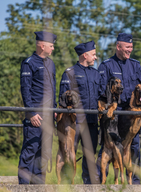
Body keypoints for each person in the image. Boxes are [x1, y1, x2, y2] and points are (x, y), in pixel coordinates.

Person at [97, 33, 141, 184]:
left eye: (131, 47)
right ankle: (100, 183)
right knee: (106, 148)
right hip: (113, 114)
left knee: (134, 148)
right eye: (127, 47)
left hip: (131, 114)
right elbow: (101, 90)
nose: (130, 50)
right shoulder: (107, 65)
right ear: (118, 46)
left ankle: (135, 184)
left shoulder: (135, 65)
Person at [59, 41, 100, 184]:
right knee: (69, 154)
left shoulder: (96, 74)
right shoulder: (70, 72)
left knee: (90, 155)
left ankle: (88, 187)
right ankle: (65, 187)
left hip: (92, 122)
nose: (95, 57)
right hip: (74, 123)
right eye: (93, 55)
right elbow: (62, 98)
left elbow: (101, 96)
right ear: (85, 55)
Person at [18, 31, 57, 184]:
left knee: (44, 155)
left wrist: (54, 111)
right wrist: (31, 113)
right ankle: (23, 190)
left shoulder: (51, 64)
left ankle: (38, 190)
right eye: (51, 45)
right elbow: (25, 90)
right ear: (42, 45)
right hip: (36, 117)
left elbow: (52, 90)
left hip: (48, 117)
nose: (53, 48)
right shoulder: (29, 63)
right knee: (29, 153)